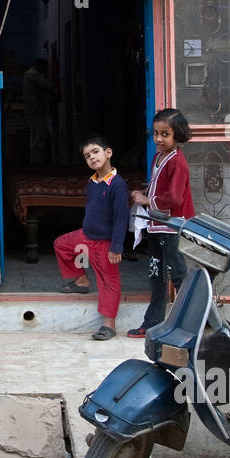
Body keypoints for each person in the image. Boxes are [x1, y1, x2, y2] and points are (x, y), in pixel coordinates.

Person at [127, 108, 196, 338]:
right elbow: (159, 184)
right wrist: (145, 191)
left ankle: (200, 321)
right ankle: (153, 322)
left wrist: (147, 200)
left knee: (178, 275)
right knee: (156, 274)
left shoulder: (178, 163)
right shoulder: (159, 157)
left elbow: (175, 198)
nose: (159, 139)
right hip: (157, 225)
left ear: (178, 135)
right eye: (156, 133)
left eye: (165, 134)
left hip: (172, 227)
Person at [53, 135, 129, 341]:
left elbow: (122, 218)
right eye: (87, 156)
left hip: (105, 243)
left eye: (95, 152)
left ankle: (109, 325)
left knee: (108, 281)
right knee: (61, 245)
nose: (92, 158)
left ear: (108, 153)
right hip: (85, 236)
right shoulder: (92, 182)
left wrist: (117, 246)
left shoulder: (118, 184)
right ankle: (82, 280)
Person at [22, 58, 57, 164]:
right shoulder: (32, 75)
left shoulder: (29, 74)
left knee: (35, 137)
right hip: (36, 111)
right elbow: (47, 86)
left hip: (33, 110)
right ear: (39, 66)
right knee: (38, 138)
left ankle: (35, 161)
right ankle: (37, 162)